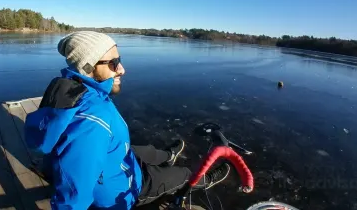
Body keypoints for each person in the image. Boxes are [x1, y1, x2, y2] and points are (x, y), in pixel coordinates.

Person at [25, 31, 229, 209]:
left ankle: (168, 155)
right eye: (113, 63)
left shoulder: (70, 91)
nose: (122, 69)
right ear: (88, 66)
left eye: (119, 60)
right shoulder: (92, 123)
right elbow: (74, 194)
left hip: (113, 163)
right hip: (123, 189)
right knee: (183, 174)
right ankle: (206, 178)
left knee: (145, 151)